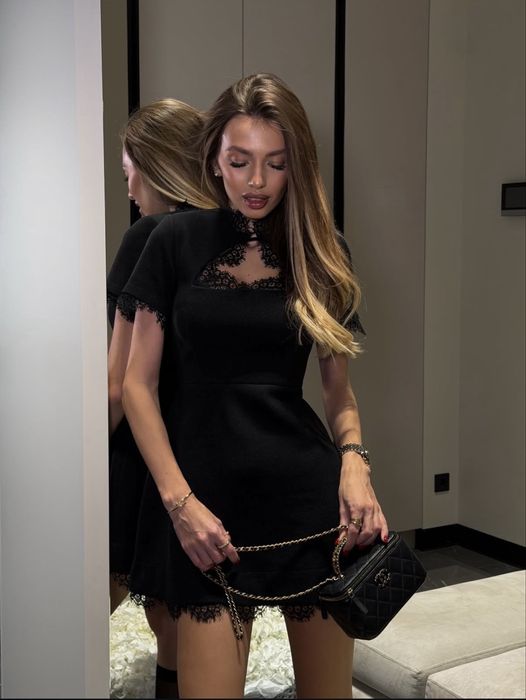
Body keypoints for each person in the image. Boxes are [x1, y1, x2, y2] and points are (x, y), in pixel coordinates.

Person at [119, 73, 389, 699]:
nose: (257, 181)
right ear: (214, 158)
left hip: (309, 509)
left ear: (298, 166)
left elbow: (339, 395)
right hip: (205, 515)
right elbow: (136, 386)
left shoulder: (321, 252)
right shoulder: (171, 241)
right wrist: (180, 505)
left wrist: (354, 462)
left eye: (276, 163)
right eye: (240, 162)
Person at [107, 98, 217, 698]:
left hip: (138, 451)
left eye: (130, 173)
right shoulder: (226, 237)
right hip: (197, 448)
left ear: (156, 167)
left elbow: (117, 382)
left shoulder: (149, 236)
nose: (129, 190)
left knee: (95, 591)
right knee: (179, 609)